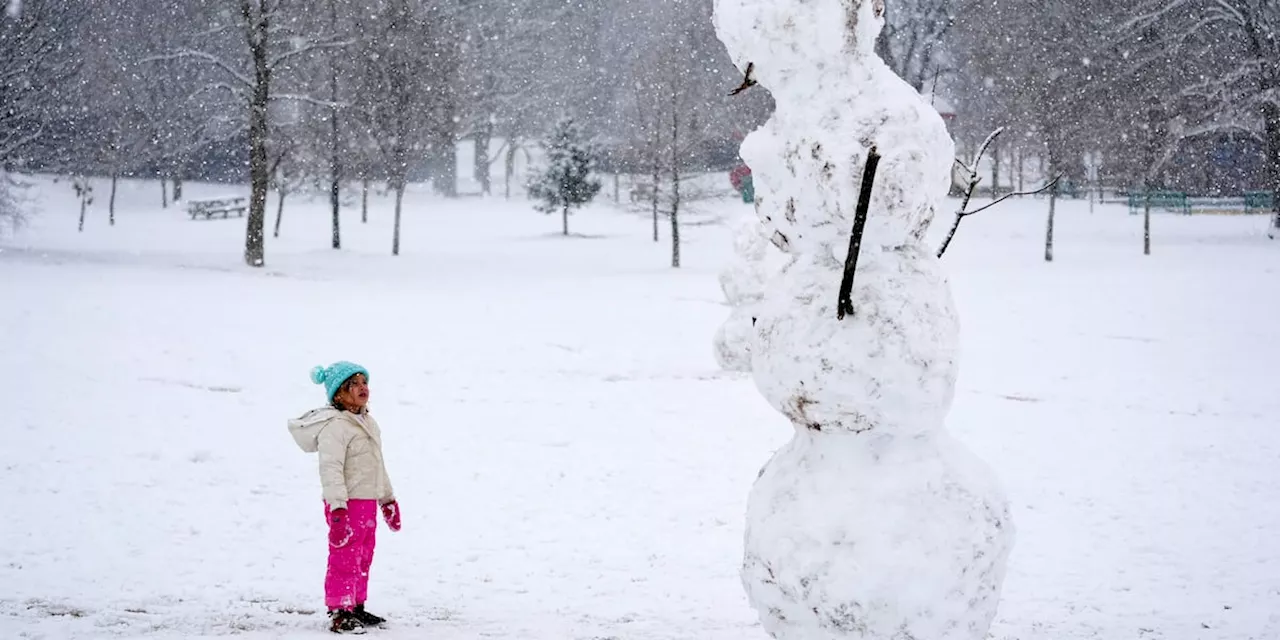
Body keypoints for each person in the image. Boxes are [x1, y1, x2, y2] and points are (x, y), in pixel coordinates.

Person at [288, 361, 402, 634]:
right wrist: (337, 509)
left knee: (363, 555)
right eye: (355, 383)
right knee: (345, 557)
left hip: (367, 502)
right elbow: (331, 470)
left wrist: (387, 499)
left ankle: (356, 605)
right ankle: (340, 611)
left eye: (365, 382)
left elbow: (377, 464)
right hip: (345, 504)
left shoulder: (368, 422)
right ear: (339, 393)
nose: (363, 388)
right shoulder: (335, 426)